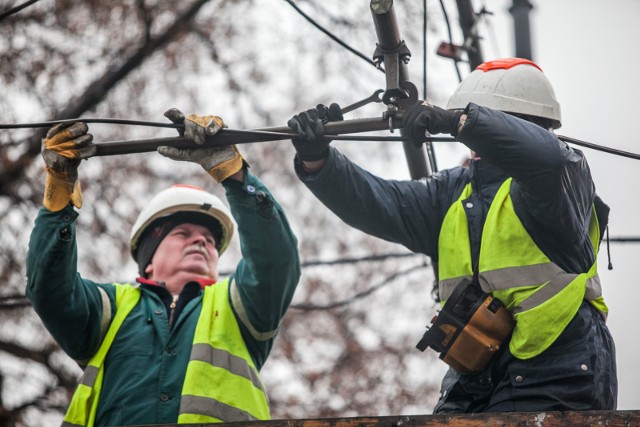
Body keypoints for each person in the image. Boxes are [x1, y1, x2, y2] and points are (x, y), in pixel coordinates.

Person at [288, 58, 617, 412]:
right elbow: (377, 202)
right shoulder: (452, 195)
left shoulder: (558, 185)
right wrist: (318, 160)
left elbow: (548, 160)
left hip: (558, 374)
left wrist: (462, 121)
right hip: (473, 382)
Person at [26, 109, 300, 426]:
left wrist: (235, 175)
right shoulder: (112, 309)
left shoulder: (239, 308)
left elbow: (275, 260)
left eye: (210, 241)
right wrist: (58, 193)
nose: (201, 243)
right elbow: (49, 290)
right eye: (184, 234)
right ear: (150, 259)